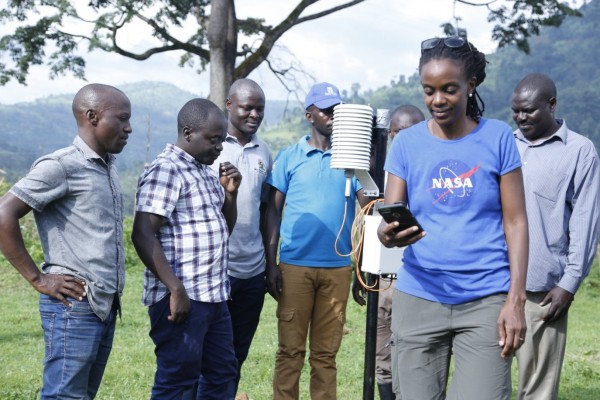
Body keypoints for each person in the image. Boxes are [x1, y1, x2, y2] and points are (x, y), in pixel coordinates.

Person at [377, 37, 529, 399]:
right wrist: (388, 235)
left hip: (486, 300)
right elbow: (389, 217)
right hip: (419, 297)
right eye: (429, 91)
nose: (437, 101)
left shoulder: (497, 138)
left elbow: (517, 222)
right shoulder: (407, 144)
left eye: (449, 89)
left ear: (470, 85)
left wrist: (515, 301)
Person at [0, 83, 132, 399]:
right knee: (65, 395)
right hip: (73, 306)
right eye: (122, 119)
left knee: (81, 394)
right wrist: (38, 278)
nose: (129, 128)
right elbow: (4, 214)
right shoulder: (61, 165)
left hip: (103, 303)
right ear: (92, 116)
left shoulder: (107, 165)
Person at [131, 98, 242, 399]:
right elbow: (143, 234)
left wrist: (230, 196)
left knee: (222, 372)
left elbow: (221, 230)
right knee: (179, 380)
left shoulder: (205, 172)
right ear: (188, 133)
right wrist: (175, 290)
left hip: (214, 295)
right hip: (182, 298)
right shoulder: (166, 170)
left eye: (222, 140)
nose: (220, 147)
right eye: (214, 139)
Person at [265, 82, 368, 400]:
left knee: (325, 355)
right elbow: (272, 212)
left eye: (337, 110)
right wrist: (271, 264)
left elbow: (367, 211)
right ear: (309, 114)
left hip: (338, 268)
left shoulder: (351, 158)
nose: (332, 116)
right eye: (325, 110)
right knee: (290, 351)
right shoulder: (290, 157)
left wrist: (361, 269)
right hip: (295, 267)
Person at [511, 73, 600, 400]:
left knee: (537, 389)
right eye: (516, 111)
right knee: (486, 384)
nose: (521, 118)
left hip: (543, 290)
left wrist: (569, 283)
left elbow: (585, 221)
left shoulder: (579, 152)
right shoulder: (506, 144)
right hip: (495, 284)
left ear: (552, 105)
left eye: (529, 111)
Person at [351, 104, 426, 400]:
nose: (403, 138)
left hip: (419, 281)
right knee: (383, 358)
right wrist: (360, 272)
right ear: (390, 133)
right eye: (397, 132)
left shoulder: (431, 173)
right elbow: (366, 224)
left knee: (417, 357)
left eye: (412, 132)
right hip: (383, 278)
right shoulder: (378, 172)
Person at [210, 78, 272, 399]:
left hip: (253, 272)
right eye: (247, 107)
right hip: (218, 271)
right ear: (229, 104)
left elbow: (266, 211)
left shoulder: (265, 152)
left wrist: (269, 267)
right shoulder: (212, 147)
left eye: (259, 108)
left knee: (237, 354)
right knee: (211, 355)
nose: (254, 114)